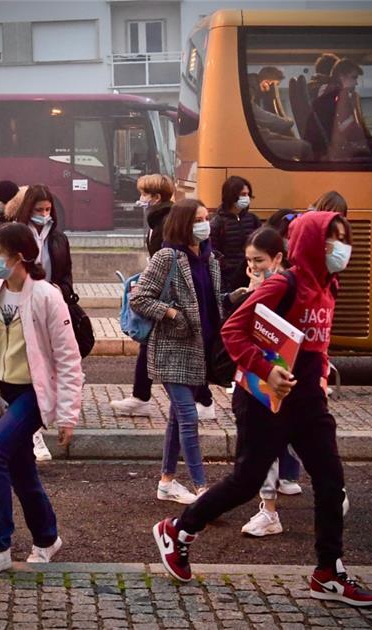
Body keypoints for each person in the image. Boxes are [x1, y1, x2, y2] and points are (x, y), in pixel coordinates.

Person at [153, 211, 372, 608]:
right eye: (332, 239)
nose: (341, 247)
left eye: (344, 239)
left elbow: (317, 343)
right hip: (263, 401)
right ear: (310, 242)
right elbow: (233, 331)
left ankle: (328, 572)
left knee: (331, 482)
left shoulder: (331, 284)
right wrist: (266, 370)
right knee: (246, 481)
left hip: (308, 402)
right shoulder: (282, 284)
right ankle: (179, 530)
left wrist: (322, 379)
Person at [0, 222, 82, 575]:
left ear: (18, 257)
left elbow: (67, 358)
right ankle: (47, 538)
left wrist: (67, 414)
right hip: (0, 392)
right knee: (19, 468)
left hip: (32, 394)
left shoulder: (47, 295)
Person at [130, 199, 236, 505]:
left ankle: (167, 481)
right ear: (183, 224)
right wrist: (172, 314)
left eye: (206, 218)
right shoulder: (167, 257)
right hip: (171, 350)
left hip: (199, 351)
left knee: (179, 418)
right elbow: (141, 298)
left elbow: (213, 299)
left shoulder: (209, 258)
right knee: (188, 417)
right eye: (198, 220)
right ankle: (203, 488)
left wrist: (233, 298)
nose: (204, 225)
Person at [112, 174, 218, 421]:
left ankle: (201, 399)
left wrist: (167, 308)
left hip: (172, 301)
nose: (141, 199)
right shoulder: (158, 221)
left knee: (184, 348)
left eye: (144, 194)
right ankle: (143, 397)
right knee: (150, 346)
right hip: (167, 300)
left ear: (156, 197)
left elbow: (168, 261)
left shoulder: (166, 223)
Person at [236, 227, 304, 537]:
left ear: (277, 257)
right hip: (262, 377)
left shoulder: (287, 286)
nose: (254, 267)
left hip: (282, 372)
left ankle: (333, 489)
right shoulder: (265, 284)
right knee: (267, 443)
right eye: (250, 261)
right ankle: (268, 508)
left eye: (259, 260)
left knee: (300, 438)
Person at [15, 184, 75, 461]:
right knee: (27, 369)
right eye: (39, 210)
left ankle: (39, 421)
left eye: (48, 209)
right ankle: (33, 434)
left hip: (50, 306)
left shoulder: (58, 239)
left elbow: (66, 275)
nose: (44, 215)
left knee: (48, 367)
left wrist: (60, 291)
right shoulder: (15, 234)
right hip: (20, 309)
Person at [305, 58, 371, 161]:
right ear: (341, 76)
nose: (356, 83)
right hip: (329, 150)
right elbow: (350, 128)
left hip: (323, 147)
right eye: (354, 78)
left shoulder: (327, 90)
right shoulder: (338, 94)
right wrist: (367, 141)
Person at [210, 176, 262, 293]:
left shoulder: (253, 219)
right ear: (231, 195)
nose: (247, 198)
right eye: (243, 194)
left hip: (251, 274)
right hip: (228, 277)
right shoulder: (217, 222)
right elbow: (213, 251)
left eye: (248, 194)